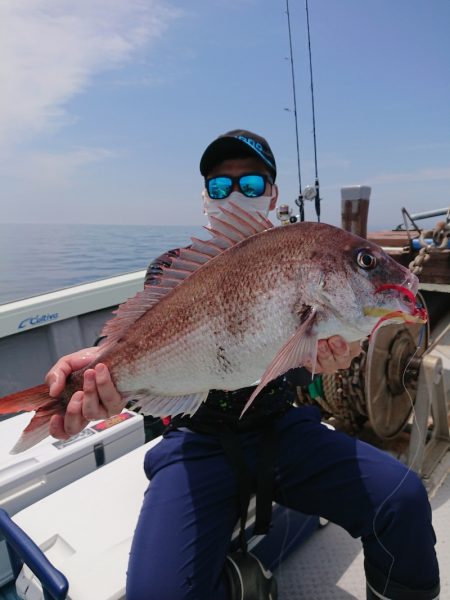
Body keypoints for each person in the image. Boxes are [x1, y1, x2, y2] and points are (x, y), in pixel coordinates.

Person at [46, 130, 440, 600]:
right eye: (219, 186)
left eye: (251, 184)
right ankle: (239, 581)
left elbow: (296, 368)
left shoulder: (304, 262)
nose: (235, 195)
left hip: (282, 428)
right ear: (205, 197)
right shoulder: (172, 267)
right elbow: (136, 340)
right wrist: (97, 367)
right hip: (198, 441)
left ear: (272, 194)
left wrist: (338, 357)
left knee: (404, 499)